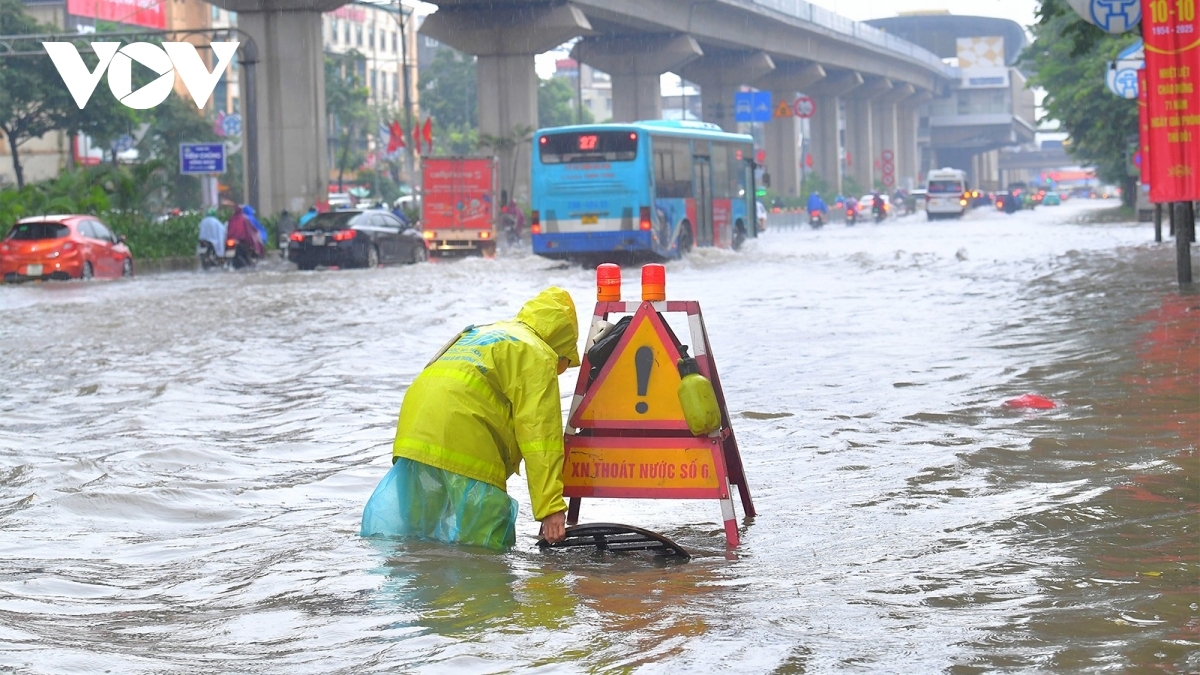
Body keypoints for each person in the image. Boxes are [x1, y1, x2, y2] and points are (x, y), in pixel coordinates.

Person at [361, 287, 581, 550]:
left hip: (413, 438)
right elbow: (539, 437)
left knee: (417, 544)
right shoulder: (536, 352)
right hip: (464, 438)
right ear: (561, 346)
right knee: (486, 552)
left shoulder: (480, 332)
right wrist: (550, 508)